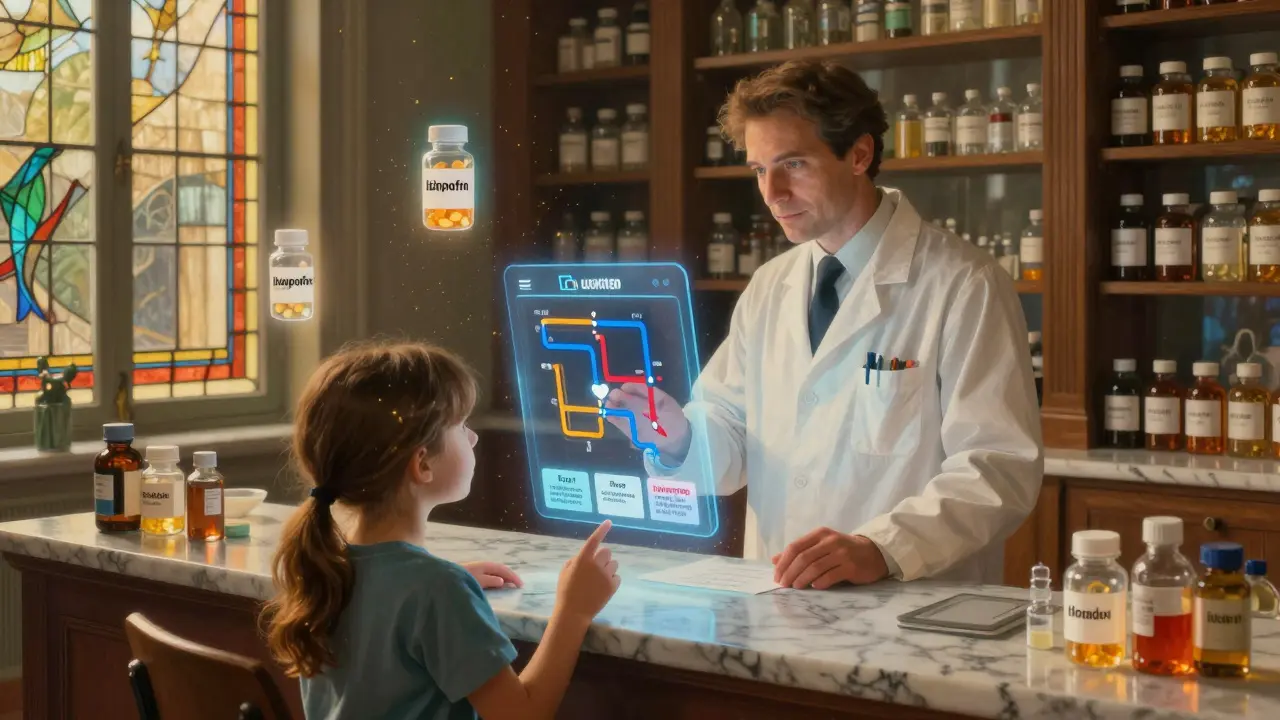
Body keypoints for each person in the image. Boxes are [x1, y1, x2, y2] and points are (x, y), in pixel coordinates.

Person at [605, 60, 1043, 588]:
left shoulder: (963, 284)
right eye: (760, 170)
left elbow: (998, 467)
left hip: (909, 610)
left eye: (793, 164)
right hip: (777, 599)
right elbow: (732, 434)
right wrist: (676, 437)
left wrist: (881, 548)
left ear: (858, 155)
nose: (772, 193)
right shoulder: (771, 286)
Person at [264, 342, 621, 720]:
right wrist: (573, 610)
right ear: (422, 464)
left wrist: (445, 585)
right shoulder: (436, 590)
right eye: (461, 426)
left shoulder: (329, 567)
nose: (474, 437)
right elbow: (522, 716)